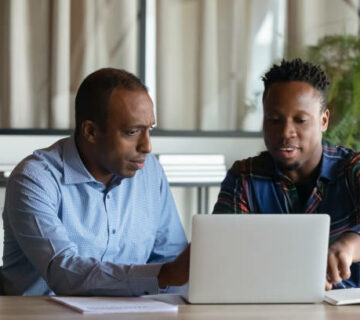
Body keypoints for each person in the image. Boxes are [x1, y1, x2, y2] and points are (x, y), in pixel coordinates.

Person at [2, 68, 189, 296]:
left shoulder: (150, 172)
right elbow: (63, 272)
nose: (147, 147)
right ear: (90, 131)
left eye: (149, 129)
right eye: (132, 132)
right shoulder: (34, 179)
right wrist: (163, 275)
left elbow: (172, 262)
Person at [213, 58, 360, 290]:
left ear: (323, 121)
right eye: (274, 120)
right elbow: (221, 254)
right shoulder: (244, 177)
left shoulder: (353, 169)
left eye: (300, 120)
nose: (286, 132)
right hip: (269, 307)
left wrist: (351, 245)